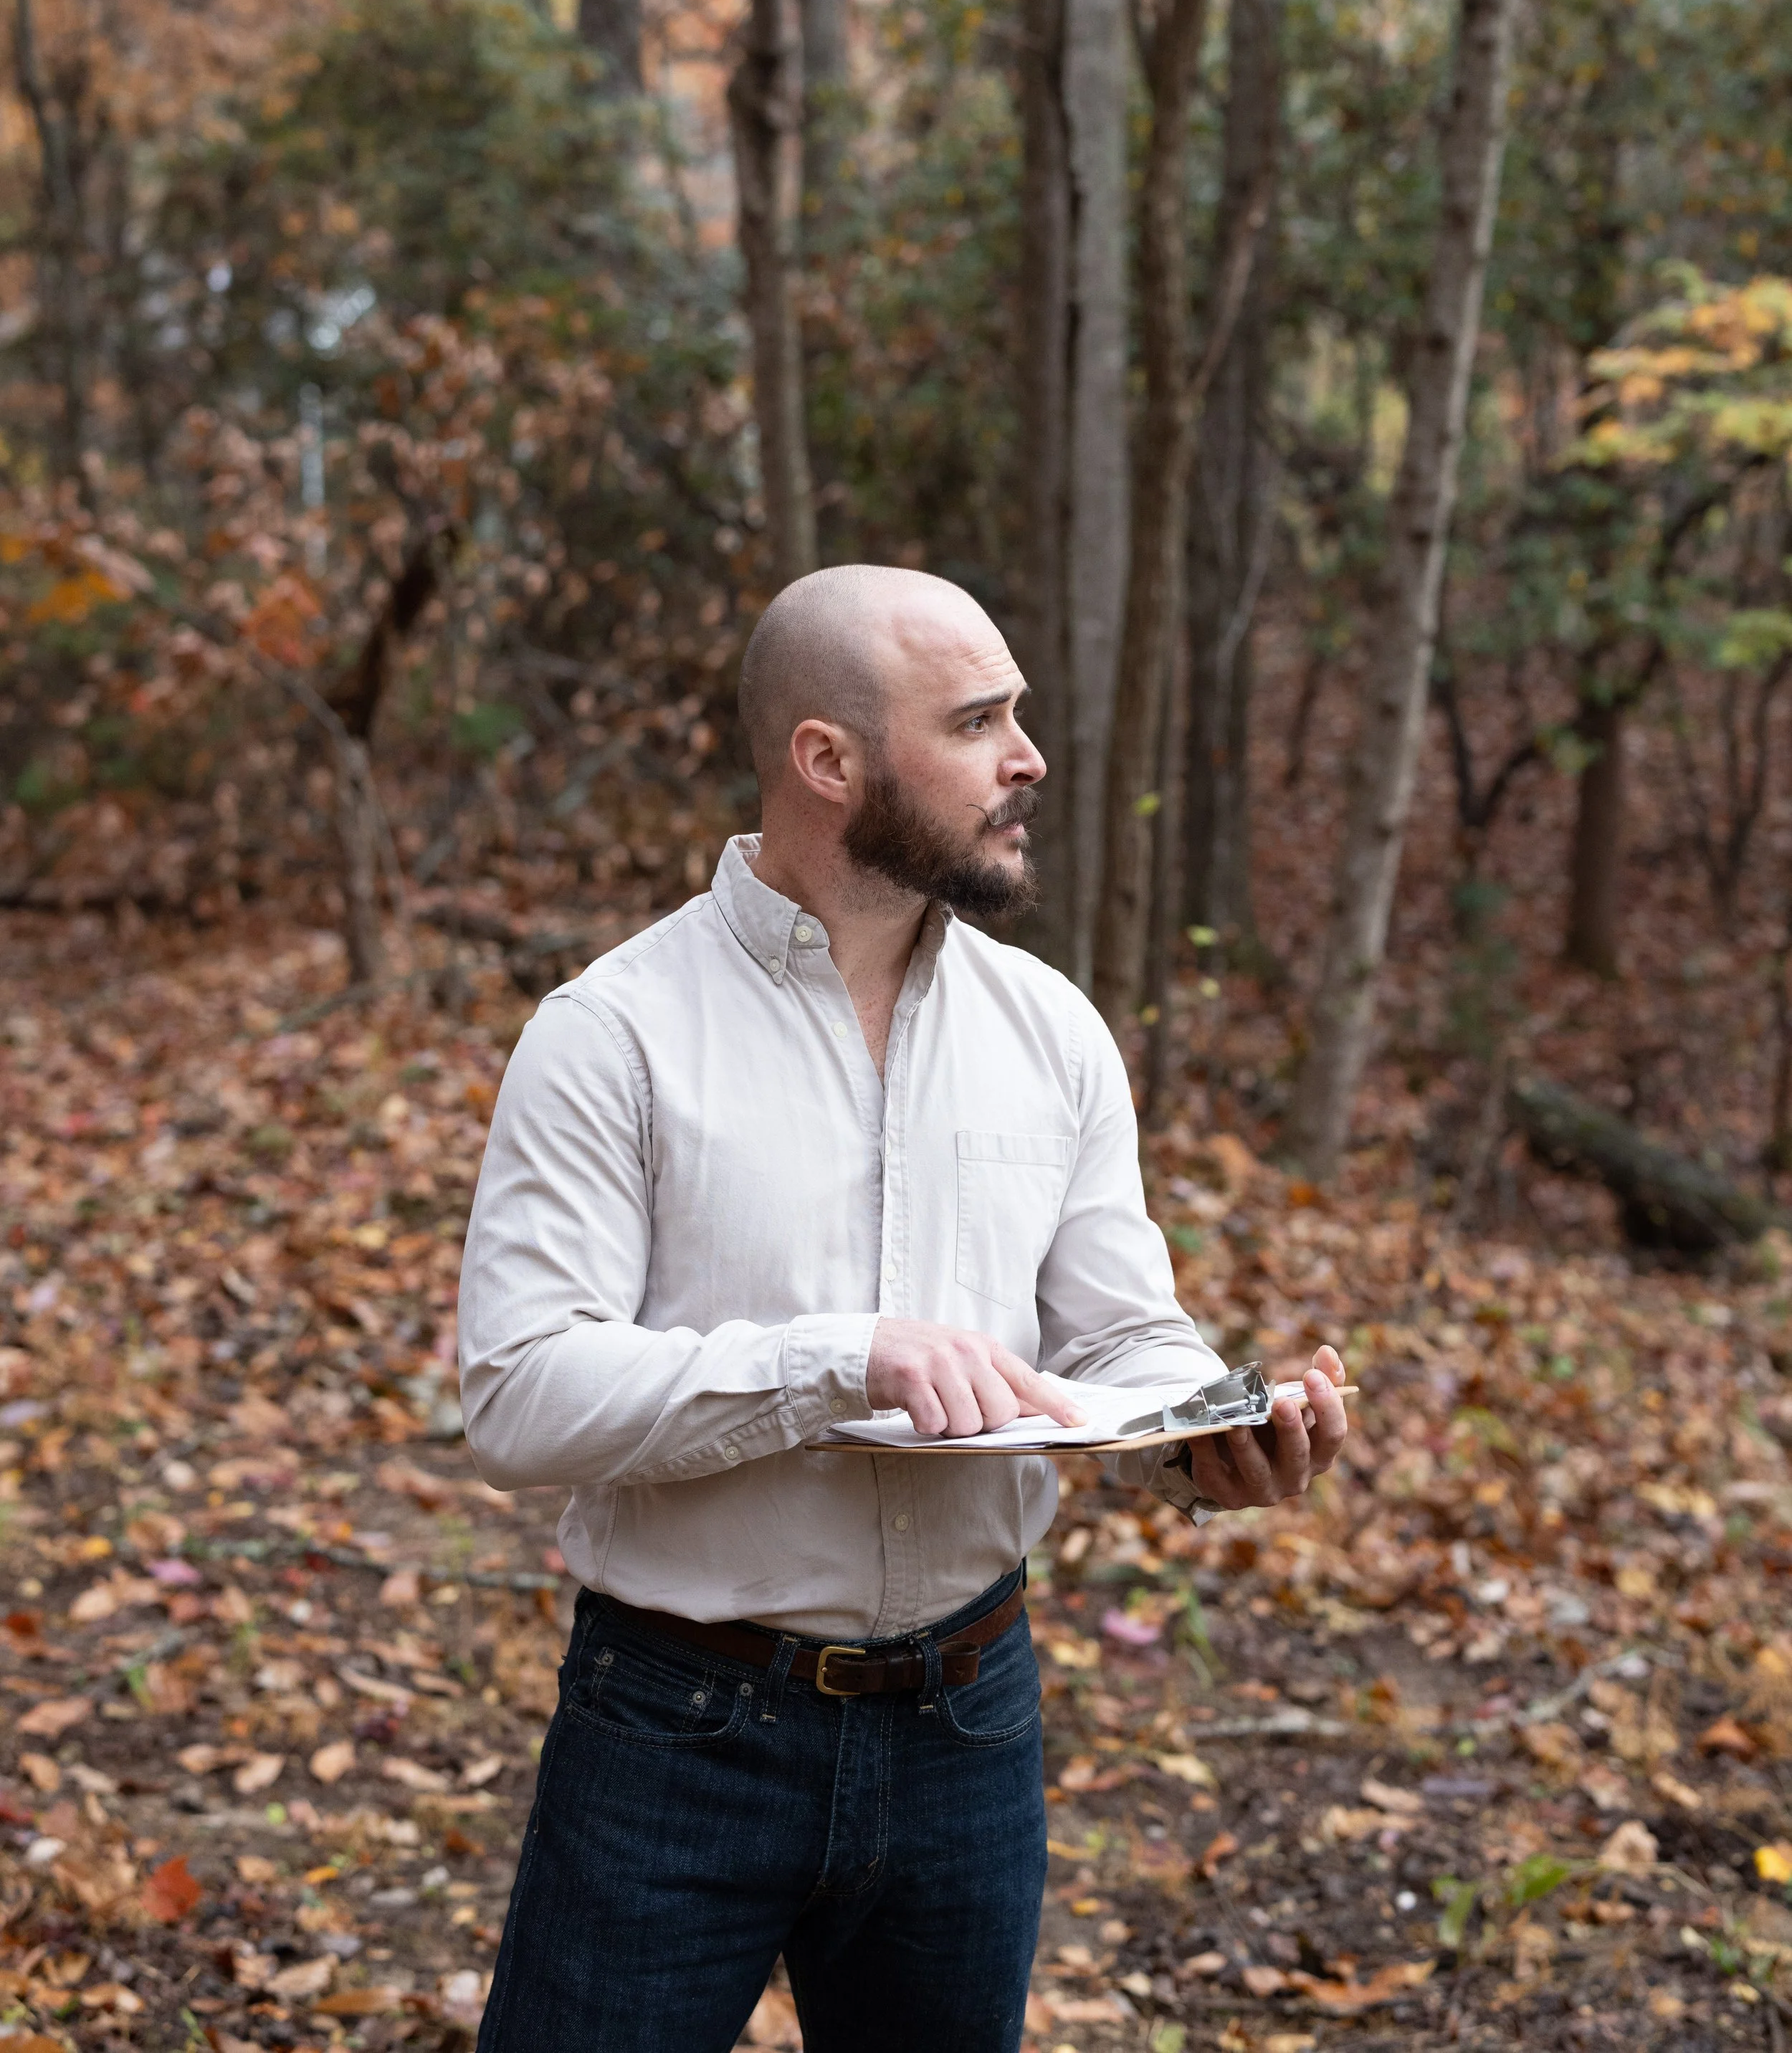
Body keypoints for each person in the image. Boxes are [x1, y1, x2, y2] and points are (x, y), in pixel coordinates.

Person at [459, 565, 1348, 2053]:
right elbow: (521, 1390)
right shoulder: (609, 1035)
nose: (1029, 756)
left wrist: (1215, 1421)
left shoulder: (1051, 1030)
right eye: (977, 719)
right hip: (676, 1727)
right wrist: (834, 1360)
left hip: (969, 1719)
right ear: (828, 759)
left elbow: (1122, 1330)